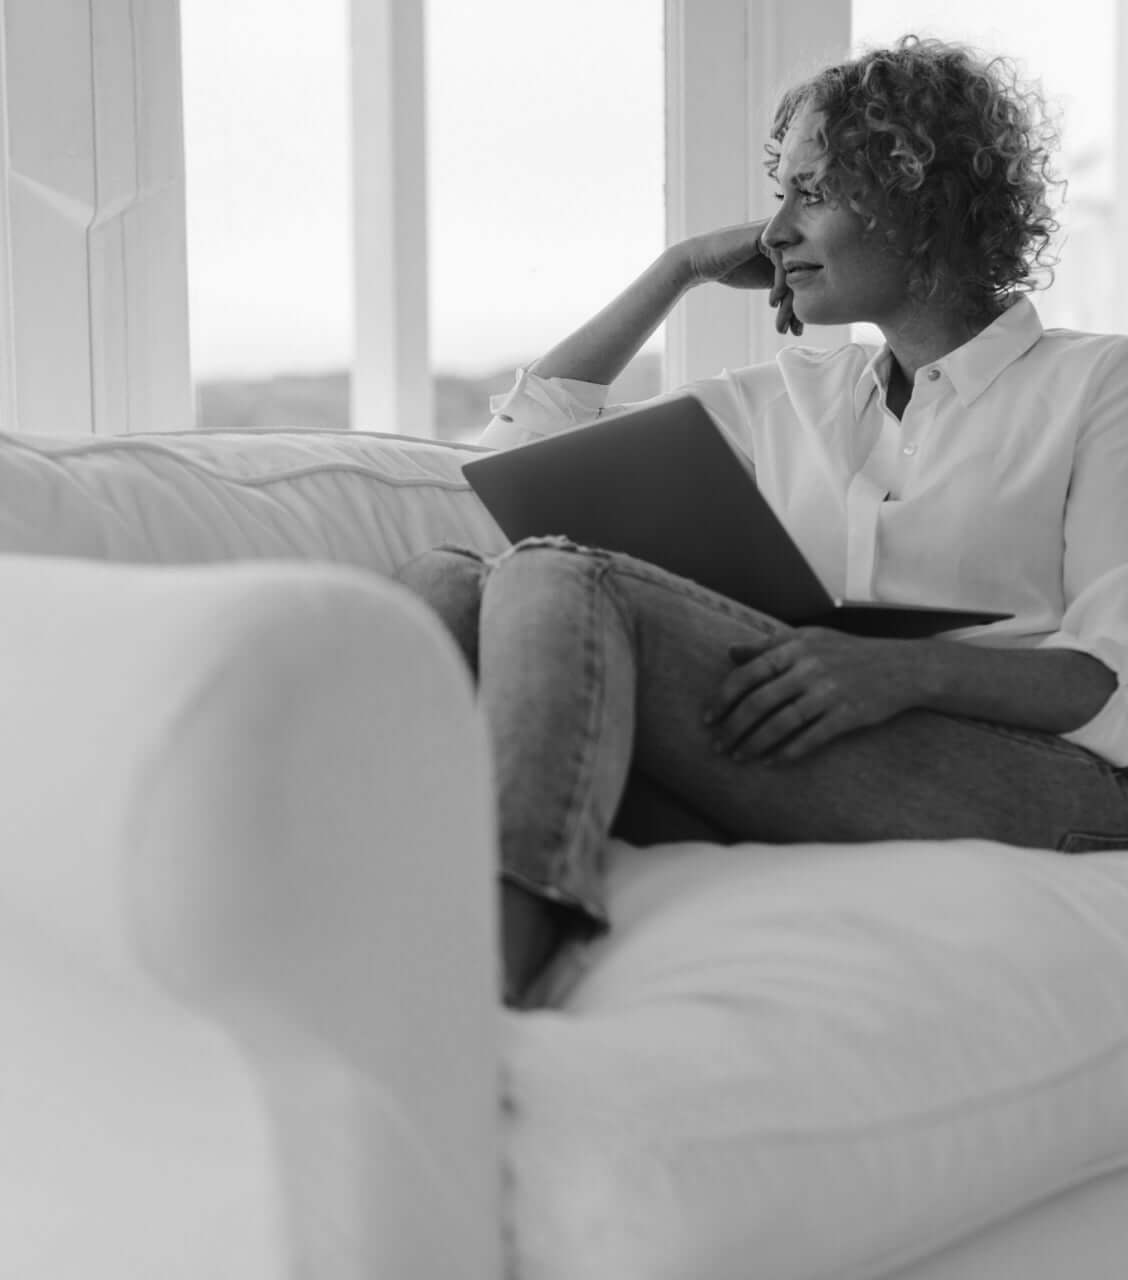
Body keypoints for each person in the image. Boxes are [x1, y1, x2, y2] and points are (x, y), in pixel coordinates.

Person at [396, 35, 1128, 1008]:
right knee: (448, 583)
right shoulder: (795, 393)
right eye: (775, 194)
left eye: (810, 193)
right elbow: (507, 453)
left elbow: (1111, 672)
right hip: (804, 742)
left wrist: (898, 669)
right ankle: (364, 915)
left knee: (558, 575)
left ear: (918, 202)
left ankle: (484, 982)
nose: (773, 229)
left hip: (1037, 774)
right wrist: (678, 270)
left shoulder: (1096, 384)